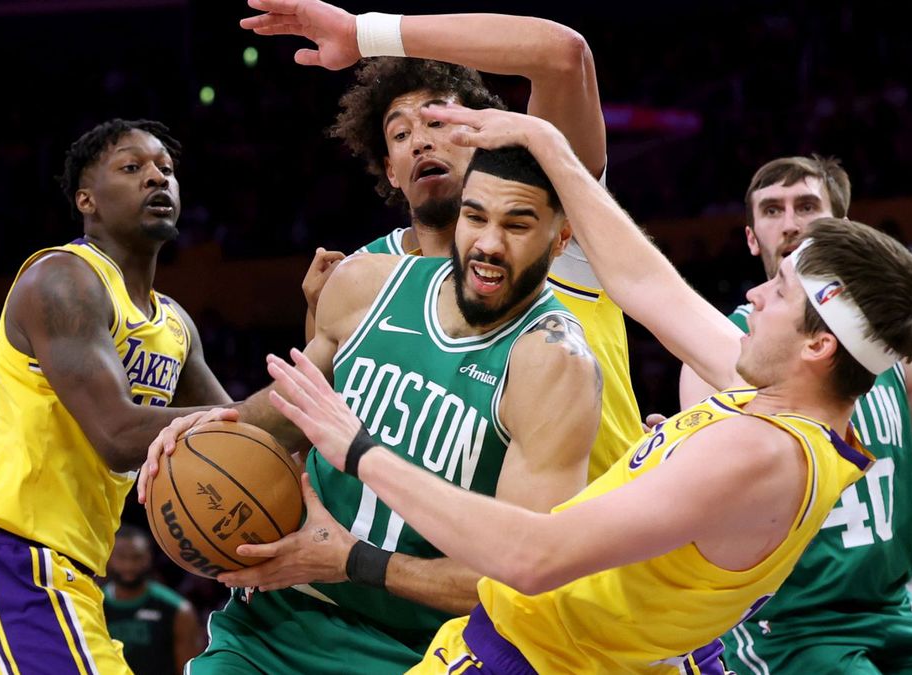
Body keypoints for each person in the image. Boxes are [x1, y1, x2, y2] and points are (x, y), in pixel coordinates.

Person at [256, 109, 912, 671]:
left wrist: (360, 449)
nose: (754, 294)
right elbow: (647, 285)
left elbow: (533, 557)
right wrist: (549, 145)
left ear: (819, 343)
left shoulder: (757, 451)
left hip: (535, 659)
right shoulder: (785, 401)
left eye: (779, 292)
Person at [141, 145, 602, 673]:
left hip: (417, 651)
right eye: (475, 217)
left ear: (561, 236)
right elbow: (285, 416)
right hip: (275, 622)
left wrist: (353, 562)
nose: (489, 244)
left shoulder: (554, 365)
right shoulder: (366, 286)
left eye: (517, 225)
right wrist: (199, 433)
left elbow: (522, 583)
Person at [249, 0, 643, 480]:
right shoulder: (363, 278)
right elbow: (321, 432)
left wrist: (362, 34)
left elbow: (562, 54)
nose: (420, 140)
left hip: (613, 534)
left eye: (437, 122)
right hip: (459, 546)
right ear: (391, 170)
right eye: (400, 134)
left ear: (483, 131)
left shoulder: (549, 218)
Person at [677, 156, 912, 674]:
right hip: (786, 623)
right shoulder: (727, 349)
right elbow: (707, 510)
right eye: (772, 210)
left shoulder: (899, 349)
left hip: (892, 609)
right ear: (752, 238)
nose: (792, 223)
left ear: (841, 229)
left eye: (807, 206)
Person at [0, 119, 231, 674]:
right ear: (85, 199)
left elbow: (237, 443)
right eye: (132, 168)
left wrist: (321, 339)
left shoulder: (175, 325)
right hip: (12, 569)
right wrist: (268, 408)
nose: (156, 179)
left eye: (166, 169)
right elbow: (118, 435)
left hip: (76, 583)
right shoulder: (63, 279)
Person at [103, 525, 201, 675]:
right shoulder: (94, 604)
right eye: (122, 557)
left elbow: (190, 670)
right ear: (109, 557)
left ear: (149, 557)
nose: (129, 565)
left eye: (137, 557)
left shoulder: (178, 609)